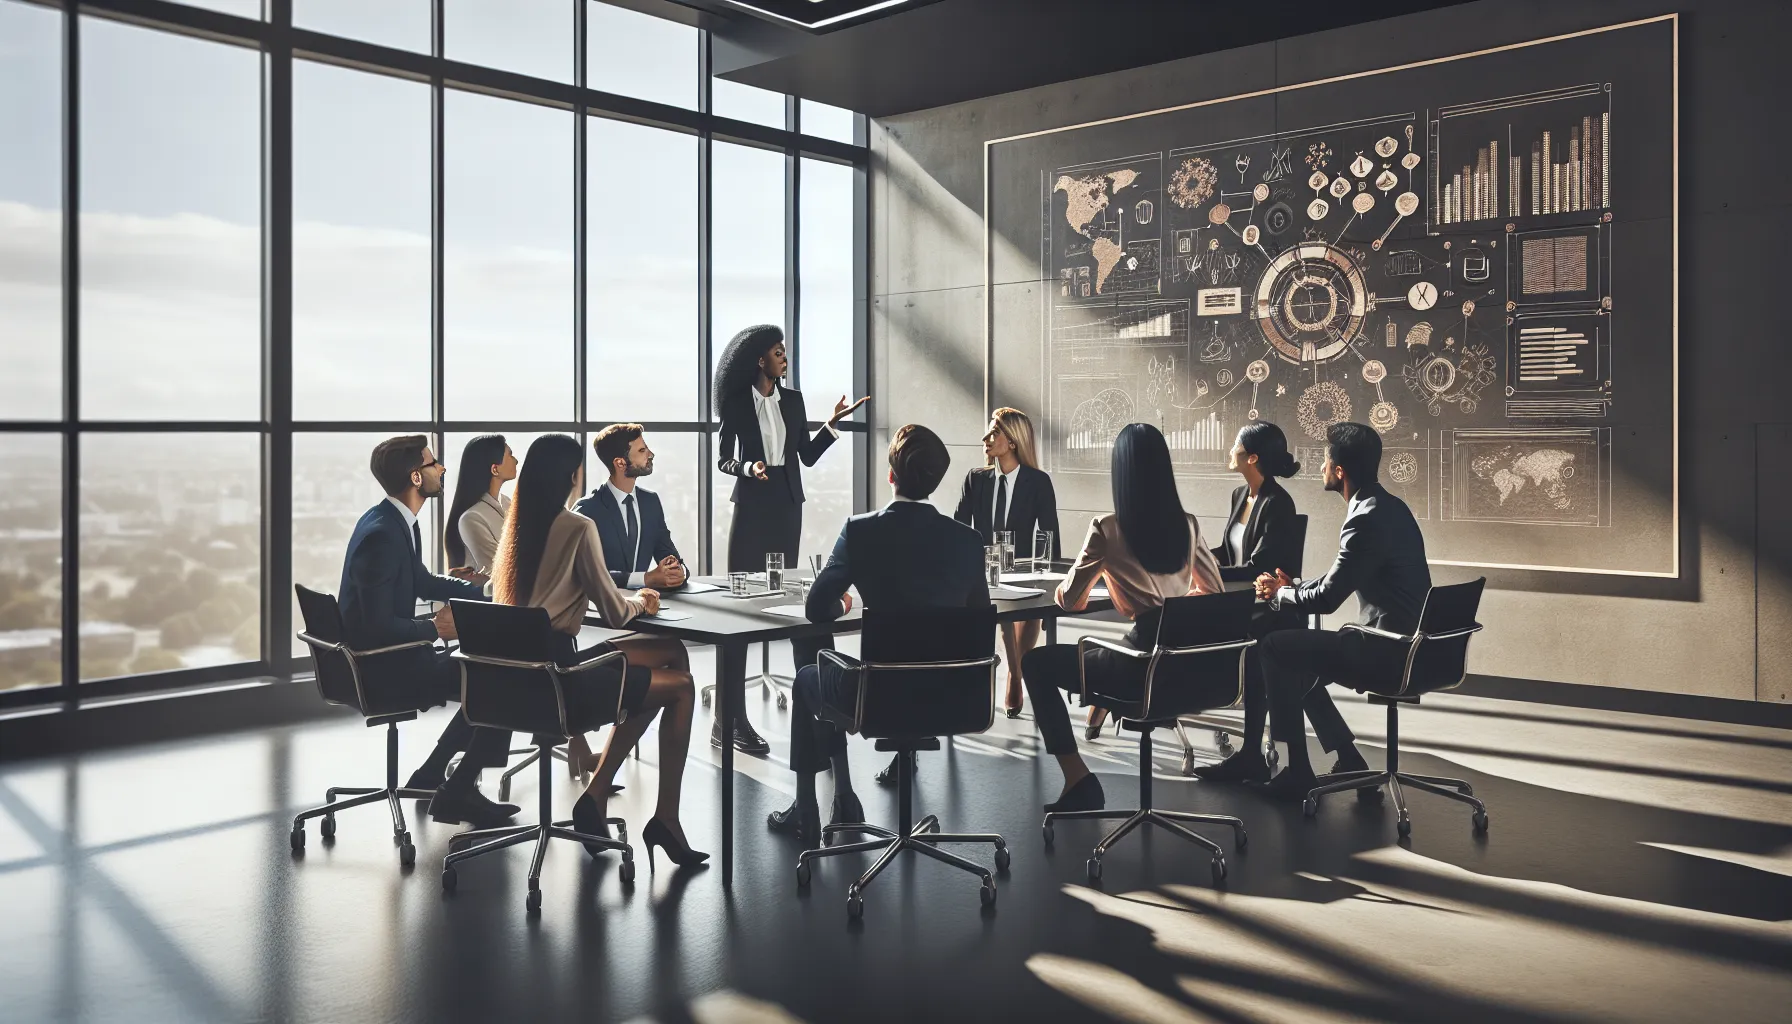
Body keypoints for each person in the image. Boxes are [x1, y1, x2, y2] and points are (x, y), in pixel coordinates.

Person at [767, 424, 989, 846]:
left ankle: (808, 806)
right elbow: (977, 620)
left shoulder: (862, 530)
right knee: (824, 663)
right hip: (953, 698)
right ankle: (843, 799)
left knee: (808, 673)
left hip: (878, 697)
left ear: (891, 476)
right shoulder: (968, 541)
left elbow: (817, 608)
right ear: (936, 481)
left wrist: (845, 603)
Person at [491, 434, 707, 868]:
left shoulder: (517, 527)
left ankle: (597, 795)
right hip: (560, 680)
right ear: (571, 476)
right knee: (681, 686)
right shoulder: (577, 526)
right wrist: (643, 600)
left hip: (517, 678)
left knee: (669, 651)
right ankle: (662, 817)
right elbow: (612, 611)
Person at [1019, 423, 1224, 813]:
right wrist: (1172, 608)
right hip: (1183, 666)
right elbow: (1212, 593)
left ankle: (1078, 779)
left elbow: (1069, 600)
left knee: (1036, 663)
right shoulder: (1188, 524)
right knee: (1099, 659)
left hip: (1137, 665)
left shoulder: (1107, 528)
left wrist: (1110, 583)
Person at [338, 435, 517, 829]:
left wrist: (485, 591)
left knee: (492, 671)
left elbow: (421, 581)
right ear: (416, 477)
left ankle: (435, 776)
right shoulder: (384, 534)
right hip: (382, 668)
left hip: (392, 657)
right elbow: (374, 627)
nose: (443, 469)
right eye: (434, 464)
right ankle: (456, 787)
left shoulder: (391, 520)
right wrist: (434, 628)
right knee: (503, 677)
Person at [1252, 421, 1432, 800]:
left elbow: (1329, 598)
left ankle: (1293, 770)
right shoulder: (1389, 507)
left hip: (1385, 650)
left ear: (1339, 471)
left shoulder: (1364, 518)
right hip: (1412, 646)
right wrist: (1295, 588)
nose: (1319, 467)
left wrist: (1281, 595)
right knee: (1299, 657)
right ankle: (1348, 758)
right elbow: (1340, 577)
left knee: (1273, 647)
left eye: (1324, 460)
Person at [712, 323, 868, 755]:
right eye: (777, 351)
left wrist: (832, 426)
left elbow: (808, 456)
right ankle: (729, 720)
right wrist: (748, 468)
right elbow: (724, 457)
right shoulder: (737, 402)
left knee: (789, 600)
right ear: (760, 359)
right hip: (751, 506)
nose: (784, 356)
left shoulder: (794, 402)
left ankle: (816, 709)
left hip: (786, 504)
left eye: (785, 351)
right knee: (739, 609)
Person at [1195, 422, 1358, 784]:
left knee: (1273, 662)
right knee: (1300, 678)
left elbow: (1260, 566)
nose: (1230, 449)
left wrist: (1209, 578)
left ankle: (1253, 754)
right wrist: (1197, 556)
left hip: (1272, 607)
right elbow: (1229, 551)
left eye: (1235, 444)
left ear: (1252, 457)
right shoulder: (1240, 495)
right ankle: (1347, 757)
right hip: (1246, 603)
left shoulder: (1278, 503)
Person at [953, 408, 1061, 718]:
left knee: (1031, 613)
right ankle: (1016, 673)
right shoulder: (977, 479)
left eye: (993, 433)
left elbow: (1050, 534)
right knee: (1001, 610)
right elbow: (959, 526)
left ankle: (1015, 672)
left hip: (1027, 570)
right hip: (986, 572)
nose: (985, 439)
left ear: (1012, 442)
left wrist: (1051, 580)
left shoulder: (1038, 482)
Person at [573, 423, 687, 591]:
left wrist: (678, 571)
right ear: (620, 463)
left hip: (647, 606)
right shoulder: (587, 510)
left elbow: (668, 554)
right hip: (601, 610)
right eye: (642, 451)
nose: (651, 455)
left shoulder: (651, 502)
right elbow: (585, 574)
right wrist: (646, 578)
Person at [444, 434, 516, 575]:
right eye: (510, 455)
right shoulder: (472, 518)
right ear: (495, 469)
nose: (516, 461)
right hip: (490, 595)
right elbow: (498, 569)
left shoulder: (507, 503)